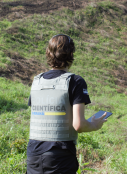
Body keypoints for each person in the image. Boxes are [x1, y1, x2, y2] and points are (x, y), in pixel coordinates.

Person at [26, 34, 107, 174]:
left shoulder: (37, 81)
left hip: (33, 155)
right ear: (71, 54)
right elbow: (78, 124)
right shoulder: (75, 81)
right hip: (59, 157)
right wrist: (94, 124)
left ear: (48, 53)